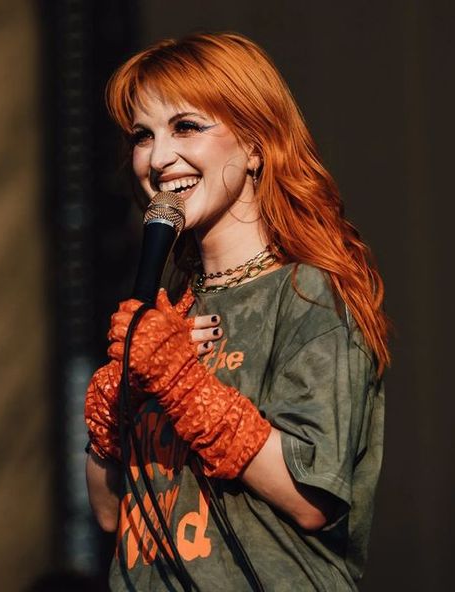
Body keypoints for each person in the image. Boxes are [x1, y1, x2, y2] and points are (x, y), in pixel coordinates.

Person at [84, 32, 389, 591]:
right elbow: (107, 512)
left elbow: (310, 498)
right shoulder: (169, 311)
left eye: (186, 127)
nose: (158, 157)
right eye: (142, 136)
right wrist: (120, 393)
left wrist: (179, 382)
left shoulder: (307, 293)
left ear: (254, 144)